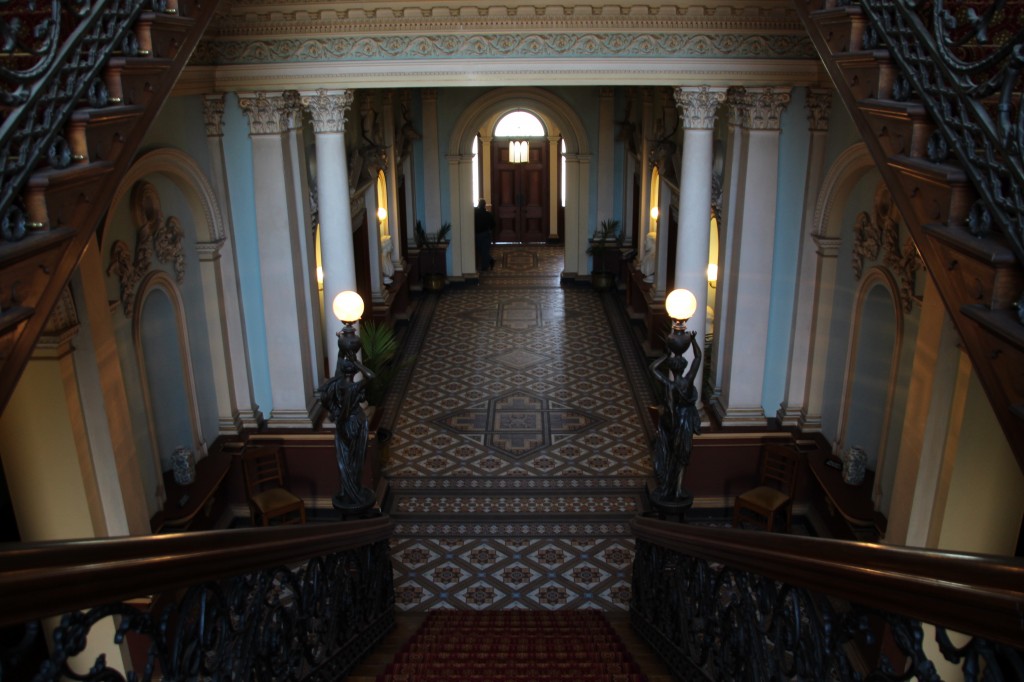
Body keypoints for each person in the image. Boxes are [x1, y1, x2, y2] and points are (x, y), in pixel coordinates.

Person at [649, 330, 702, 501]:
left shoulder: (670, 385)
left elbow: (653, 368)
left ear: (672, 368)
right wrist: (693, 341)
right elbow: (698, 358)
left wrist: (666, 355)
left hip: (673, 423)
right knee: (682, 456)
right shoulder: (688, 381)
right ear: (684, 367)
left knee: (672, 453)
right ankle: (678, 489)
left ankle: (669, 486)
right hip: (686, 421)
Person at [474, 199, 496, 273]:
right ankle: (486, 265)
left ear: (479, 204)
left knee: (480, 250)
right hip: (486, 234)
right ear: (485, 205)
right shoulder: (488, 214)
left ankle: (487, 264)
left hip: (477, 234)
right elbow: (493, 225)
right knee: (485, 250)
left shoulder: (475, 212)